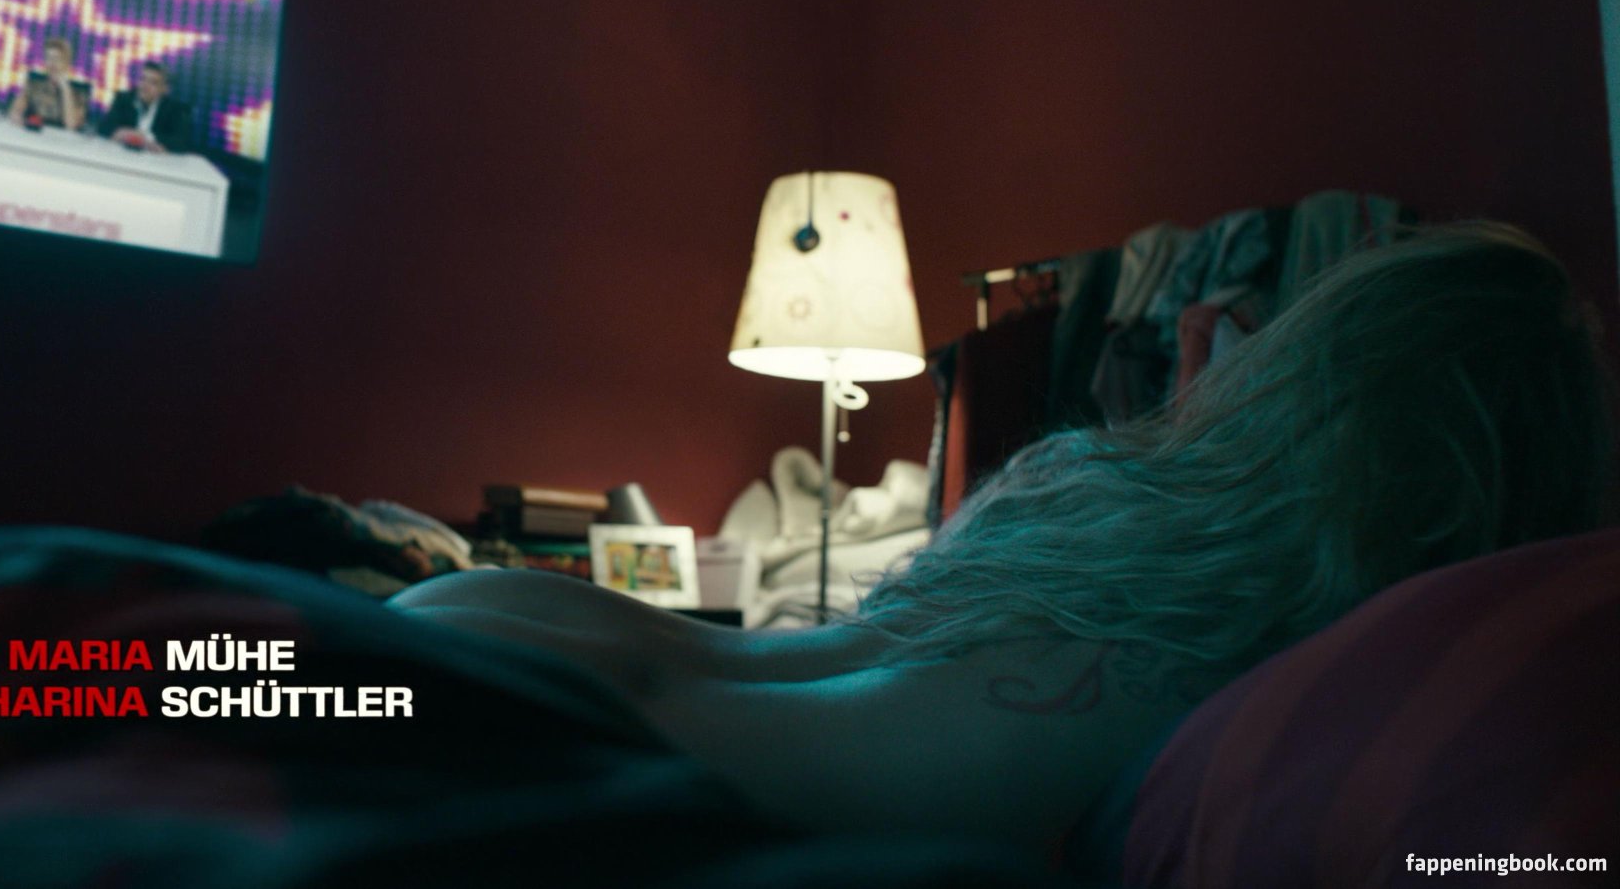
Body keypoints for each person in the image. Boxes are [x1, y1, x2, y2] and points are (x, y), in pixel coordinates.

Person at [391, 223, 1615, 865]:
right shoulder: (1292, 650)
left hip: (501, 641)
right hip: (552, 753)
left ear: (1301, 375)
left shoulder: (1100, 490)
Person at [96, 61, 193, 154]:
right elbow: (103, 128)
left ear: (165, 89)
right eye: (143, 79)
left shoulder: (176, 109)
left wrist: (147, 137)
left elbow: (181, 143)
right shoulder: (124, 99)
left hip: (155, 162)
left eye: (153, 82)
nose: (145, 85)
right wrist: (122, 132)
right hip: (121, 156)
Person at [7, 36, 89, 131]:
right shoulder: (34, 83)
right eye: (48, 58)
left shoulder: (79, 92)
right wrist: (17, 117)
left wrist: (65, 90)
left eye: (57, 59)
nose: (52, 63)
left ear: (66, 63)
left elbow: (71, 125)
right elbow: (15, 111)